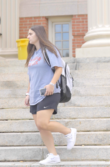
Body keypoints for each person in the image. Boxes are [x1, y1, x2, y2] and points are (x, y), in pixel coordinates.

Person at [24, 25, 77, 165]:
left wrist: (52, 84)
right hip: (35, 94)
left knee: (43, 122)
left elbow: (58, 68)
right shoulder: (33, 54)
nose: (28, 36)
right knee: (40, 126)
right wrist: (28, 93)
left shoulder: (49, 50)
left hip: (49, 92)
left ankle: (69, 131)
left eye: (30, 34)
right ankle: (53, 155)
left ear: (38, 34)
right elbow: (31, 77)